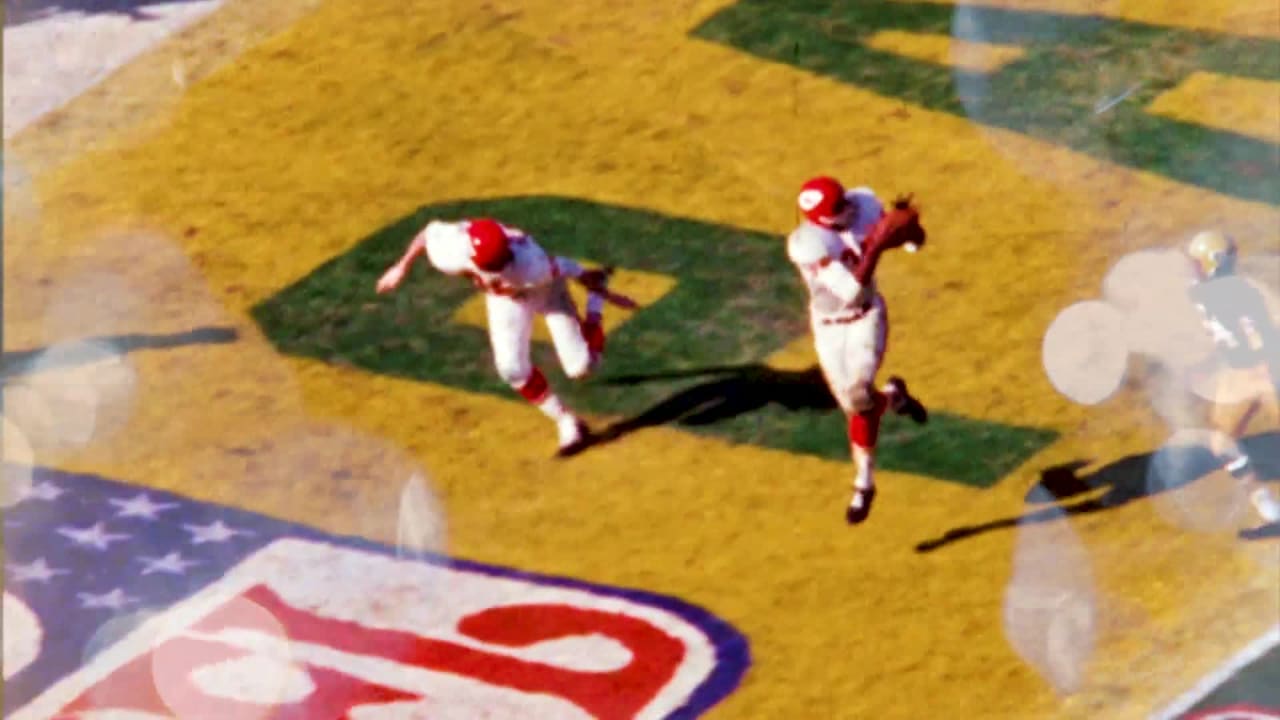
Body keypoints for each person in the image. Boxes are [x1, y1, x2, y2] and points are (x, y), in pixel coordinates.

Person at [376, 217, 626, 457]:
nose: (500, 270)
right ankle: (566, 421)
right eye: (492, 267)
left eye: (501, 264)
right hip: (506, 299)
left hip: (546, 290)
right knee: (511, 368)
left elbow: (564, 266)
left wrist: (594, 285)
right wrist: (401, 267)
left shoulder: (530, 265)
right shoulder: (454, 248)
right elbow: (428, 233)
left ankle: (595, 308)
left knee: (581, 366)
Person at [787, 175, 929, 525]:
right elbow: (848, 290)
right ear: (819, 219)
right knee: (855, 406)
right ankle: (893, 397)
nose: (847, 210)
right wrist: (877, 244)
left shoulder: (863, 202)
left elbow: (915, 242)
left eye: (844, 201)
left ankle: (863, 483)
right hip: (829, 324)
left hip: (866, 317)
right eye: (837, 209)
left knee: (857, 394)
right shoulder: (808, 244)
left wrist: (908, 229)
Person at [1184, 229, 1280, 531]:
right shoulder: (1230, 290)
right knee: (1221, 441)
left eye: (1198, 263)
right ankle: (1269, 509)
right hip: (1243, 374)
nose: (1194, 269)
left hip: (1264, 372)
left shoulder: (1232, 293)